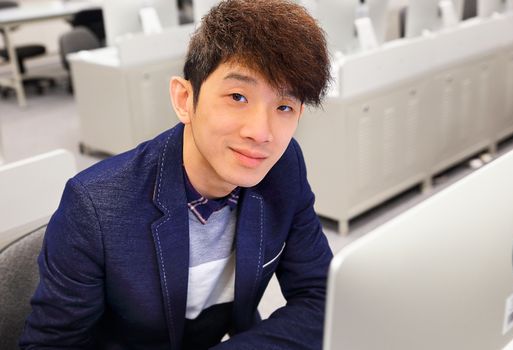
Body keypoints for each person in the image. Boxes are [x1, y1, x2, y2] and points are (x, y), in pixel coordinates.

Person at [20, 0, 333, 349]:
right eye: (238, 96)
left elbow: (321, 297)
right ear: (185, 99)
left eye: (284, 107)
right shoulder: (95, 205)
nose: (261, 133)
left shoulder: (283, 166)